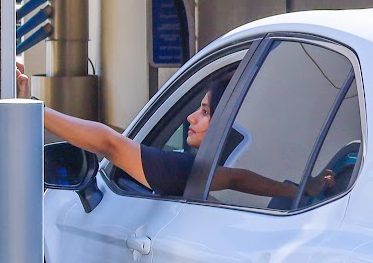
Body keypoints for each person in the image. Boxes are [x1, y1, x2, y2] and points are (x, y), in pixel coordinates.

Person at [17, 63, 304, 202]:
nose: (191, 117)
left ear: (228, 126)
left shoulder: (188, 170)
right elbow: (237, 178)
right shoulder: (207, 173)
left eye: (205, 112)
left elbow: (109, 144)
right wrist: (297, 191)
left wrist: (32, 108)